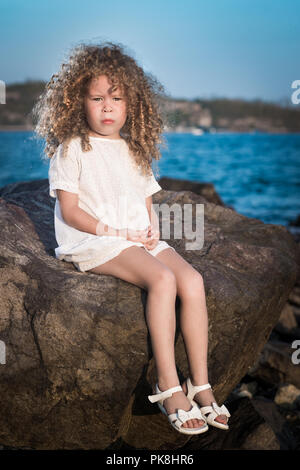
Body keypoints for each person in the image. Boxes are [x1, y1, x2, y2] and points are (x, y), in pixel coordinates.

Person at [32, 41, 230, 435]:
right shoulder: (71, 149)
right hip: (95, 240)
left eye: (117, 98)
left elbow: (144, 202)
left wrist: (151, 227)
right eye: (97, 98)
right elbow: (71, 211)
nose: (108, 107)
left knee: (192, 281)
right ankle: (167, 385)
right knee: (163, 279)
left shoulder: (134, 150)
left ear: (132, 104)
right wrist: (115, 231)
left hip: (134, 237)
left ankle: (201, 383)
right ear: (78, 102)